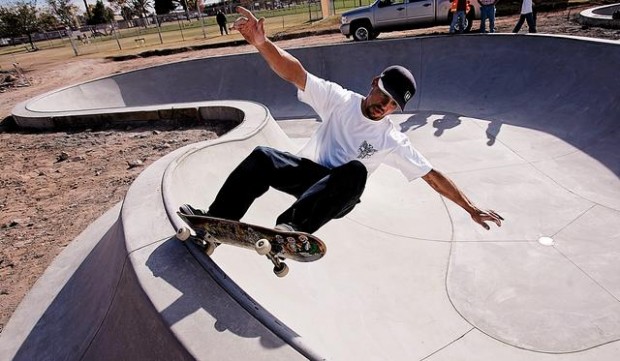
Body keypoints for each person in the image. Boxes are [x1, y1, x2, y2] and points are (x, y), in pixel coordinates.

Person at [180, 6, 504, 234]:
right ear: (374, 82)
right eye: (383, 95)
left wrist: (470, 207)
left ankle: (292, 228)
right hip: (309, 180)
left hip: (339, 196)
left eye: (392, 105)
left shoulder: (391, 140)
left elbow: (432, 176)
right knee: (262, 158)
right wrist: (263, 44)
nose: (383, 106)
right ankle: (217, 221)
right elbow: (296, 74)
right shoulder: (340, 100)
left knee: (355, 171)